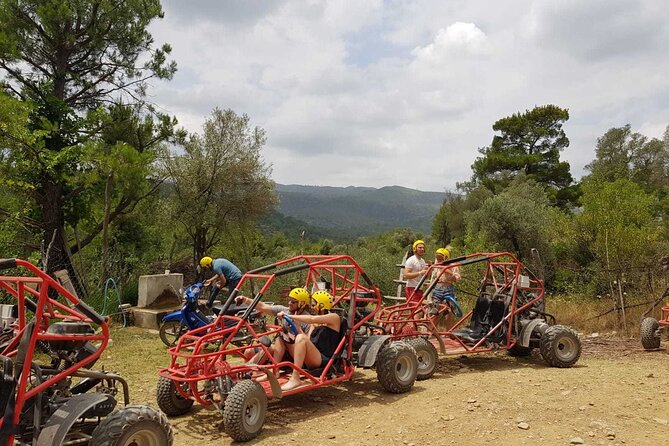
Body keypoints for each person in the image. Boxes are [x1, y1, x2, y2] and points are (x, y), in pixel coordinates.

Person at [235, 287, 312, 374]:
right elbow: (263, 306)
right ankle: (247, 372)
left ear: (302, 304)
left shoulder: (307, 320)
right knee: (249, 352)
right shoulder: (284, 310)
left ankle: (245, 372)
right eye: (289, 300)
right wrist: (245, 299)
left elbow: (308, 344)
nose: (289, 303)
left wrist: (296, 327)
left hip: (295, 354)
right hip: (281, 348)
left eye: (293, 302)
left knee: (271, 347)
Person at [276, 290, 341, 391]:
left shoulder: (334, 318)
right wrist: (297, 325)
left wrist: (288, 315)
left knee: (301, 338)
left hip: (323, 360)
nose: (312, 307)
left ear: (321, 305)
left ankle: (295, 378)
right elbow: (306, 338)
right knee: (283, 336)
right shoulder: (314, 323)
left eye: (314, 304)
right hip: (312, 356)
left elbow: (311, 319)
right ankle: (274, 370)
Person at [430, 248, 462, 325]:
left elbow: (457, 278)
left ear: (446, 258)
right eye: (437, 259)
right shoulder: (437, 265)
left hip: (448, 288)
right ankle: (431, 333)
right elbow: (433, 277)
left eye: (441, 259)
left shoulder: (453, 266)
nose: (439, 260)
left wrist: (449, 273)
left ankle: (447, 332)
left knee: (448, 311)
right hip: (438, 288)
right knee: (434, 311)